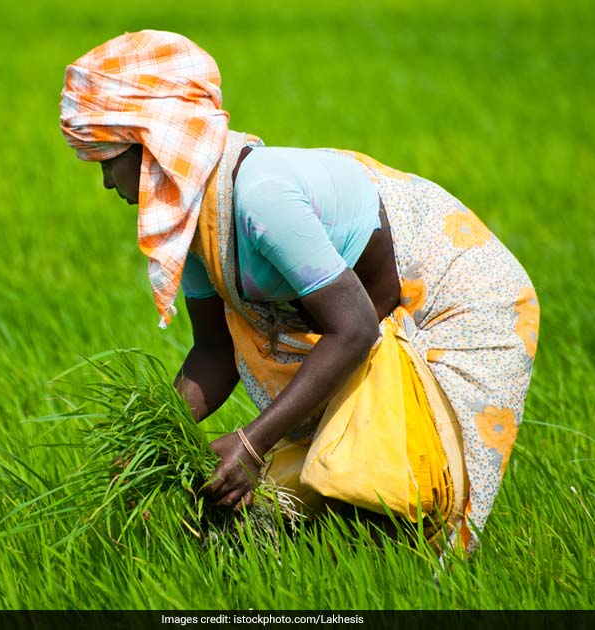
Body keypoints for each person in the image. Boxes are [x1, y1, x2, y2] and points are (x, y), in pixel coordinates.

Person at [60, 30, 540, 551]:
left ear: (154, 147)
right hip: (369, 324)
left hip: (454, 306)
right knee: (249, 520)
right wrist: (156, 435)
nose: (107, 182)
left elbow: (355, 328)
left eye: (107, 161)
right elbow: (214, 352)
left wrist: (251, 443)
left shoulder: (260, 198)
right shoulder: (195, 220)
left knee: (387, 494)